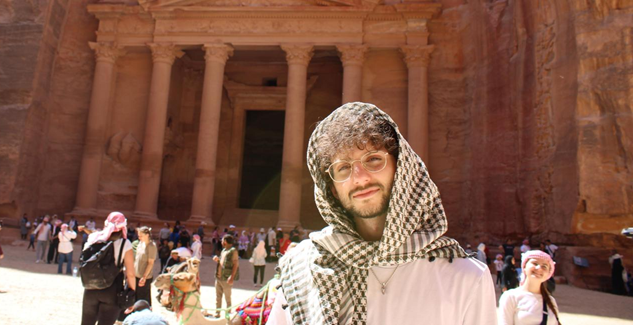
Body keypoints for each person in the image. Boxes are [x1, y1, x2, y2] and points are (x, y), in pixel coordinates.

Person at [267, 102, 496, 325]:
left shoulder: (465, 278)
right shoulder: (300, 270)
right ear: (333, 190)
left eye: (373, 159)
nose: (360, 177)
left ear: (401, 167)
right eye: (343, 168)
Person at [81, 212, 136, 325]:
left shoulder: (93, 239)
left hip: (91, 287)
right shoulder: (125, 244)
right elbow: (130, 274)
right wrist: (131, 295)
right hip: (112, 290)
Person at [498, 250, 561, 324]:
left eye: (544, 266)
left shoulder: (550, 301)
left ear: (548, 274)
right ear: (524, 267)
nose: (539, 268)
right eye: (535, 263)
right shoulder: (510, 297)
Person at [213, 234, 239, 318]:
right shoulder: (224, 250)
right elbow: (223, 262)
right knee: (218, 296)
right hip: (219, 276)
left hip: (226, 278)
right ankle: (218, 312)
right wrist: (218, 260)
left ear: (225, 242)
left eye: (222, 240)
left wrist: (232, 277)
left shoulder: (233, 251)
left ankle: (227, 313)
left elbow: (235, 264)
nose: (221, 242)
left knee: (227, 297)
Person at [133, 226, 157, 306]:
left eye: (141, 236)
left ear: (147, 235)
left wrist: (144, 277)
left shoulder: (151, 246)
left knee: (143, 300)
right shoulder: (140, 243)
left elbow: (150, 263)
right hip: (136, 275)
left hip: (144, 277)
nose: (139, 238)